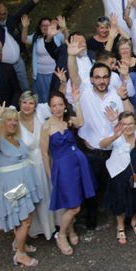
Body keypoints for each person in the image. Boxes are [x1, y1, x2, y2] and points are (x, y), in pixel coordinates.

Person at [67, 37, 135, 231]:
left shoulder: (115, 93)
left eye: (105, 77)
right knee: (90, 186)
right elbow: (74, 75)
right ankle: (91, 213)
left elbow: (131, 113)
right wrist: (71, 56)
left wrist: (124, 97)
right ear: (91, 79)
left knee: (107, 183)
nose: (102, 81)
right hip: (90, 151)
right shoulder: (85, 91)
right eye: (97, 77)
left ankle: (110, 210)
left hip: (110, 150)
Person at [0, 98, 43, 267]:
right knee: (24, 219)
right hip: (13, 186)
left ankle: (20, 243)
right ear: (1, 122)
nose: (12, 123)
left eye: (14, 120)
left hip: (25, 181)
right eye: (8, 120)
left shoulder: (16, 138)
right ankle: (20, 253)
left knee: (24, 217)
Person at [41, 90, 95, 255]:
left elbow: (81, 121)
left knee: (73, 200)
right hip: (62, 167)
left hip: (78, 163)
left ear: (65, 106)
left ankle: (71, 231)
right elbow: (44, 153)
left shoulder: (68, 121)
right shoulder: (46, 126)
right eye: (54, 105)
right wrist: (50, 173)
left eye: (60, 104)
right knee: (74, 206)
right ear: (50, 107)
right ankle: (62, 235)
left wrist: (77, 102)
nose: (57, 108)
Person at [99, 112, 136, 244]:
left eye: (131, 124)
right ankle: (120, 226)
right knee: (119, 201)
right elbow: (102, 144)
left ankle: (134, 222)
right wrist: (115, 136)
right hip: (119, 174)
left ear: (135, 124)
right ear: (120, 124)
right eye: (124, 124)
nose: (128, 127)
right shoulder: (116, 136)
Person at [18, 90, 61, 240]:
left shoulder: (40, 113)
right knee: (36, 197)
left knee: (49, 192)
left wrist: (62, 83)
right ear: (19, 103)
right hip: (27, 165)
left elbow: (58, 105)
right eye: (24, 102)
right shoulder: (14, 120)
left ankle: (54, 223)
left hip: (46, 159)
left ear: (35, 105)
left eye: (31, 103)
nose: (27, 106)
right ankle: (37, 227)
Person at [21, 15, 67, 103]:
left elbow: (67, 41)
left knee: (55, 96)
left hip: (55, 73)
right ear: (40, 27)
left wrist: (64, 29)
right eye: (43, 25)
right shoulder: (36, 37)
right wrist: (25, 27)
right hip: (40, 74)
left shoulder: (57, 36)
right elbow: (24, 39)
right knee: (42, 97)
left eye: (48, 25)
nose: (45, 27)